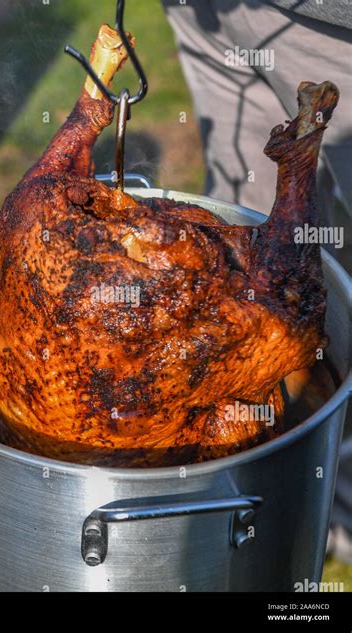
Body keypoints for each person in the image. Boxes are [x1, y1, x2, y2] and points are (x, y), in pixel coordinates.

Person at [162, 0, 352, 564]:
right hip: (208, 14)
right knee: (240, 234)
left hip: (336, 30)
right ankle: (257, 499)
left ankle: (333, 494)